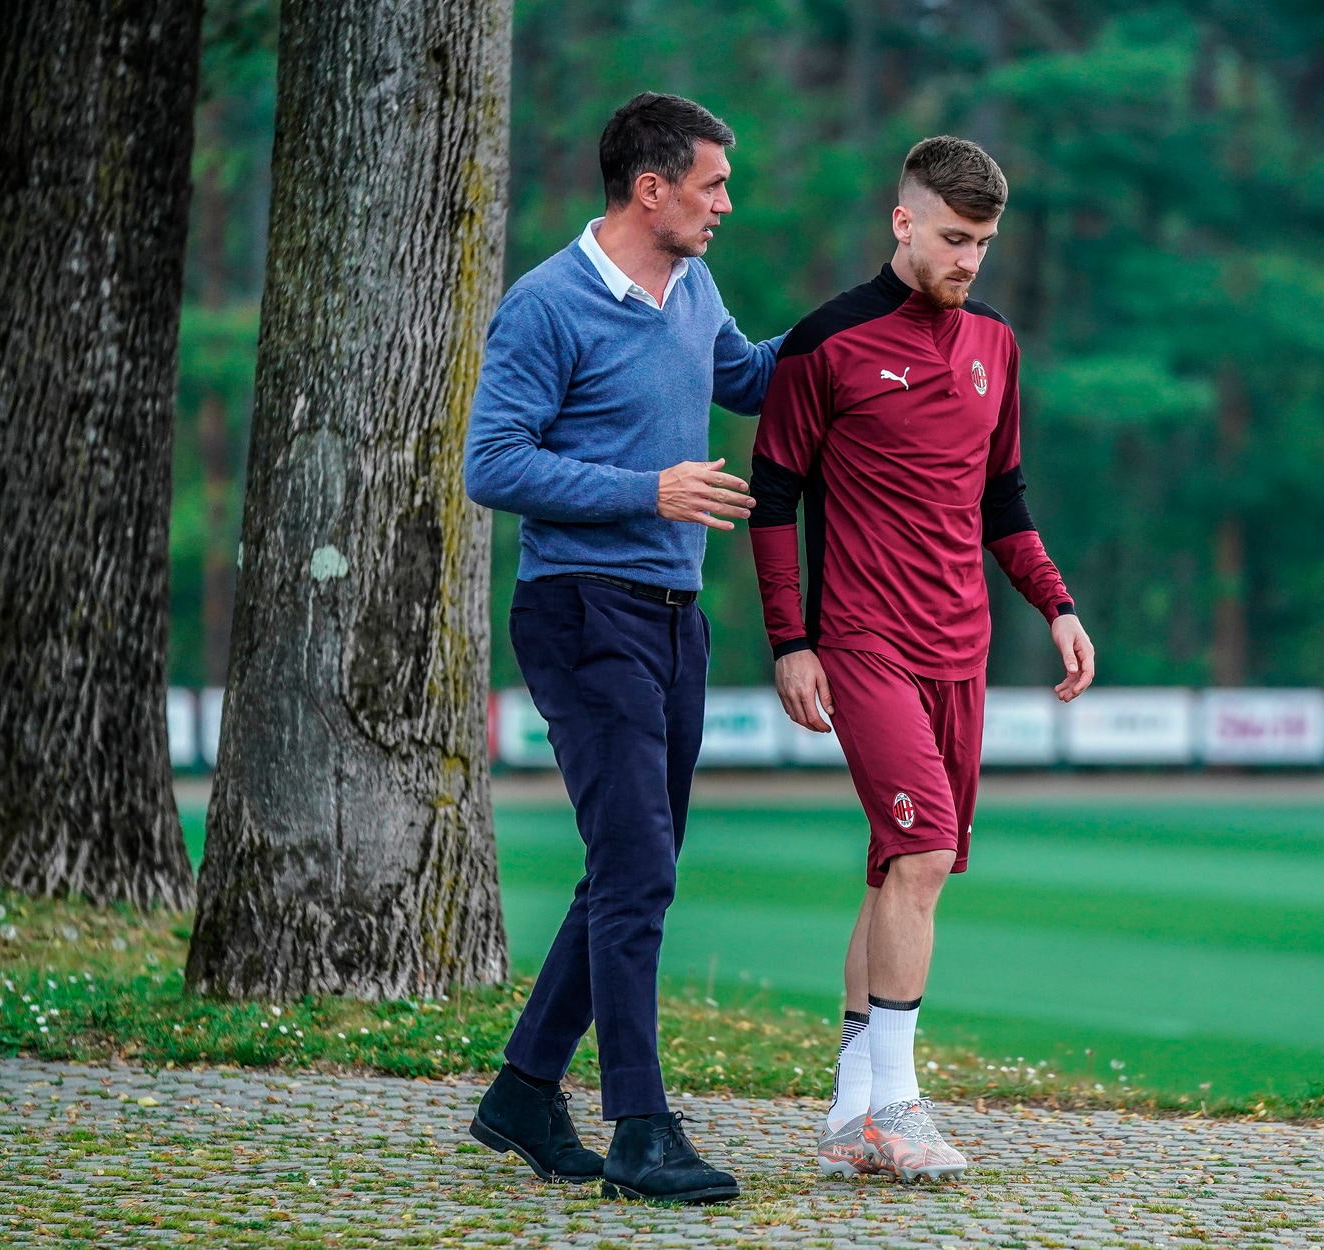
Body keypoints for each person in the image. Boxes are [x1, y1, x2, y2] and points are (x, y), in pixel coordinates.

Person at [748, 136, 1096, 1183]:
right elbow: (773, 499)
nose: (968, 260)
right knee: (925, 851)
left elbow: (1003, 500)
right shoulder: (824, 343)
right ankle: (898, 1106)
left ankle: (848, 1114)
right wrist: (790, 641)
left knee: (898, 865)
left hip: (962, 645)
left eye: (982, 243)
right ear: (902, 222)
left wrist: (1056, 603)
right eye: (952, 238)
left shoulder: (996, 341)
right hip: (862, 640)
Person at [461, 92, 781, 1205]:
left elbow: (749, 378)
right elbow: (492, 463)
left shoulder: (693, 287)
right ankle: (640, 1128)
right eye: (711, 185)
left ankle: (522, 1092)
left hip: (673, 615)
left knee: (629, 866)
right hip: (579, 611)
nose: (724, 205)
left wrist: (878, 310)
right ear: (651, 189)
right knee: (638, 866)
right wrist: (648, 490)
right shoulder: (546, 304)